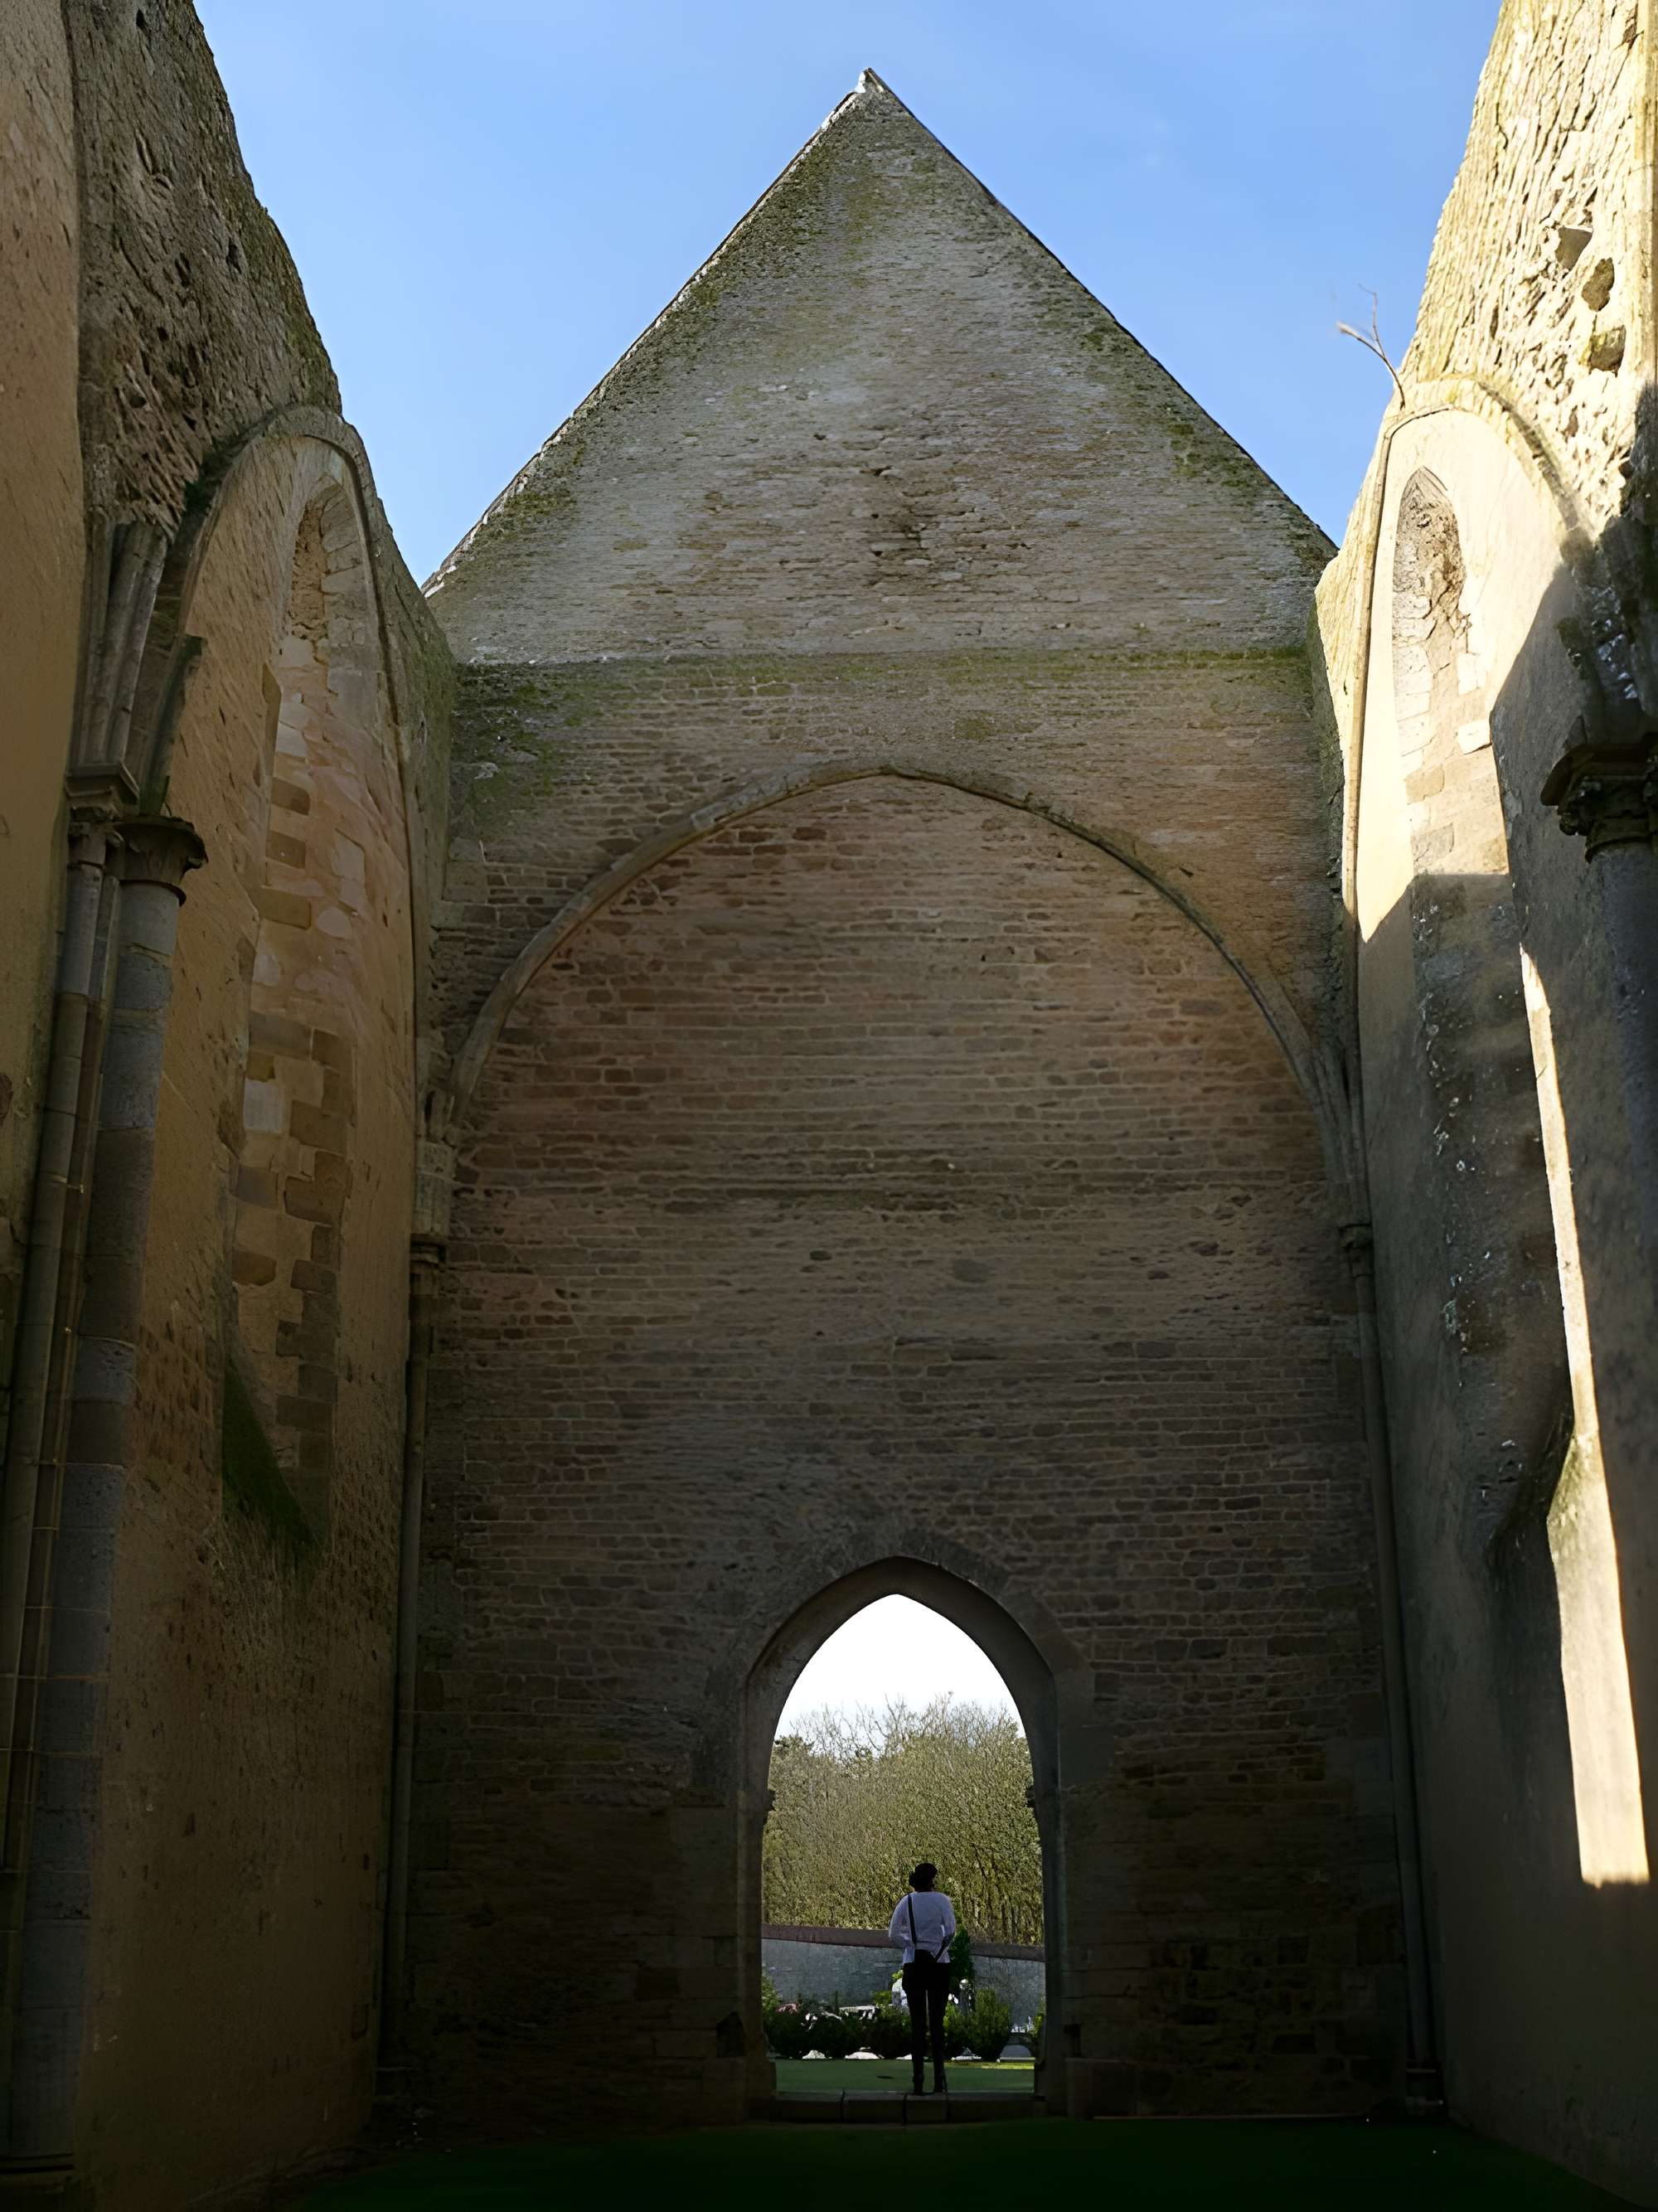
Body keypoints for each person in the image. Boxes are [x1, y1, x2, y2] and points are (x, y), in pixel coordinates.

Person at [888, 1861, 956, 2094]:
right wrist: (937, 1948)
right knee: (937, 2023)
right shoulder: (943, 1901)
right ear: (932, 1880)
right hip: (939, 1965)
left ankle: (918, 2078)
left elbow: (893, 1933)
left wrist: (911, 1944)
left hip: (914, 1963)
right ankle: (940, 2078)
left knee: (918, 2024)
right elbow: (951, 1931)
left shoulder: (906, 1902)